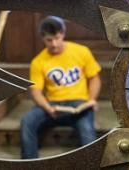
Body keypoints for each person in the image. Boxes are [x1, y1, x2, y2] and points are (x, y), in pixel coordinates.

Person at [20, 16, 101, 159]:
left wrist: (92, 100)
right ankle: (29, 162)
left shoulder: (81, 51)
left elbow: (95, 79)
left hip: (79, 104)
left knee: (87, 131)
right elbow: (36, 92)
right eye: (49, 40)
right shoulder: (38, 61)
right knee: (27, 121)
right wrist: (47, 107)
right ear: (43, 39)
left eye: (57, 38)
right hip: (53, 105)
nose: (54, 44)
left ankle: (91, 163)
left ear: (63, 34)